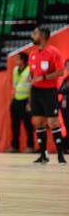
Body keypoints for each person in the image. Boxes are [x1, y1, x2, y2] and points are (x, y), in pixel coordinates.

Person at [28, 27, 66, 164]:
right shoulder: (32, 54)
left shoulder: (53, 52)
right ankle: (43, 155)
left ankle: (61, 155)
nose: (32, 35)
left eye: (35, 33)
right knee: (39, 123)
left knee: (53, 122)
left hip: (49, 91)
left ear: (43, 36)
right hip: (36, 92)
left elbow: (61, 72)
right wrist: (30, 98)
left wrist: (43, 78)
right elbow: (32, 76)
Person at [9, 52, 34, 153]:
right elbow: (15, 85)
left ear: (23, 61)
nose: (15, 61)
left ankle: (30, 146)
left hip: (25, 100)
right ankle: (15, 146)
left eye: (17, 59)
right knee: (14, 125)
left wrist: (30, 103)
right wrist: (12, 99)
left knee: (28, 125)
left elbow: (32, 88)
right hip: (16, 100)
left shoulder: (29, 71)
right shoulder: (15, 70)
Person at [58, 59, 69, 153]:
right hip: (65, 107)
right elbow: (61, 90)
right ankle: (66, 146)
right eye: (67, 65)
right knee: (66, 125)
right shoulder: (66, 79)